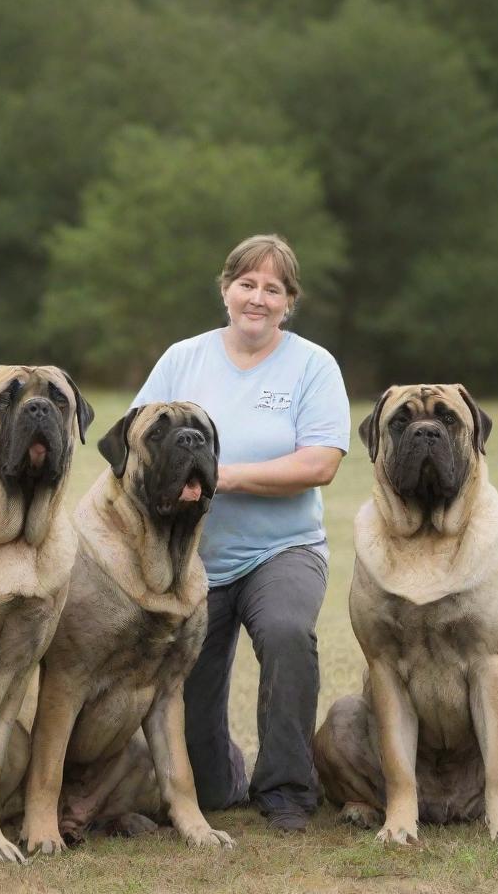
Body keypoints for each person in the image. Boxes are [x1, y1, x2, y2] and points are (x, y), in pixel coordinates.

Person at [131, 234, 350, 832]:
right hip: (193, 560)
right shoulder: (183, 359)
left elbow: (321, 464)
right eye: (246, 284)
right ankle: (221, 777)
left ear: (289, 301)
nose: (257, 298)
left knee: (285, 631)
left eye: (272, 289)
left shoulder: (313, 365)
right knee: (202, 768)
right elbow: (135, 440)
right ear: (226, 290)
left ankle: (285, 789)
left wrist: (223, 478)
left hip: (283, 550)